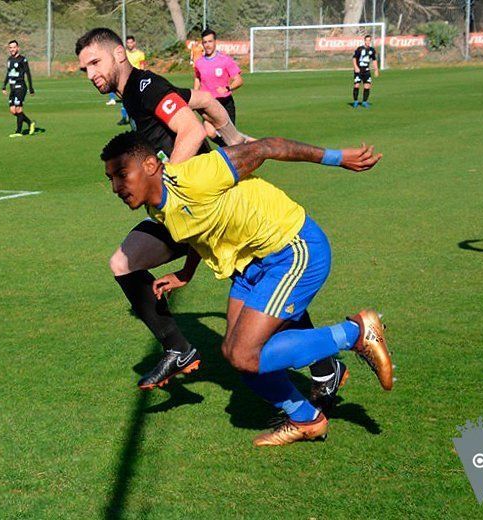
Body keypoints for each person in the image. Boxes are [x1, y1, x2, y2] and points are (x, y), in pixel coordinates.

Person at [76, 28, 346, 408]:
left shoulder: (143, 87)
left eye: (95, 63)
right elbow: (204, 100)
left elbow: (187, 127)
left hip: (198, 201)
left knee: (255, 292)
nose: (90, 74)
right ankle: (185, 348)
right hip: (186, 208)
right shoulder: (136, 94)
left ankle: (326, 356)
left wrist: (172, 184)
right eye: (84, 68)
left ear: (120, 54)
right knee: (134, 263)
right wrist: (232, 137)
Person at [100, 131, 393, 446]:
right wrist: (185, 273)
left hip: (292, 248)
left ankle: (356, 334)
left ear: (149, 166)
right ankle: (307, 420)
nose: (116, 187)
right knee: (233, 354)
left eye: (121, 174)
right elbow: (199, 230)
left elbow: (269, 146)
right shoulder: (155, 205)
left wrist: (339, 158)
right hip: (251, 266)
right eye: (110, 179)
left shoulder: (198, 176)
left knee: (244, 354)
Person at [194, 28, 242, 129]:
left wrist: (227, 88)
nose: (207, 45)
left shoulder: (225, 60)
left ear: (215, 42)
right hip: (208, 103)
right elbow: (197, 79)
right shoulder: (199, 63)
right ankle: (223, 145)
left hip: (225, 102)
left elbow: (239, 80)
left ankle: (225, 145)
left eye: (210, 41)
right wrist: (195, 96)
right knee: (209, 131)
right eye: (205, 42)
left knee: (229, 136)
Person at [1, 40, 36, 137]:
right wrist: (4, 86)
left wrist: (31, 88)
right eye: (10, 48)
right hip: (12, 88)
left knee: (18, 109)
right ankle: (30, 123)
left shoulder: (22, 59)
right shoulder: (9, 60)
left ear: (18, 48)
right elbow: (8, 73)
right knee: (13, 110)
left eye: (14, 47)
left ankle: (18, 131)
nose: (12, 49)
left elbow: (28, 73)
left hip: (20, 87)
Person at [115, 35, 146, 125]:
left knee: (136, 99)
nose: (129, 44)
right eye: (128, 43)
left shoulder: (140, 54)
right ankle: (124, 118)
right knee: (123, 98)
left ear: (134, 43)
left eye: (131, 42)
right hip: (125, 79)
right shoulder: (124, 54)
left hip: (135, 78)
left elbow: (142, 67)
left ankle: (138, 117)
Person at [352, 35, 379, 108]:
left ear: (370, 41)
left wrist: (376, 70)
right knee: (356, 85)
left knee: (367, 86)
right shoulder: (360, 49)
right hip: (358, 70)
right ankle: (355, 101)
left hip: (366, 71)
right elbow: (354, 58)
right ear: (364, 41)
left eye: (369, 40)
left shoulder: (372, 50)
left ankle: (364, 102)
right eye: (366, 40)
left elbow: (374, 60)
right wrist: (356, 67)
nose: (368, 42)